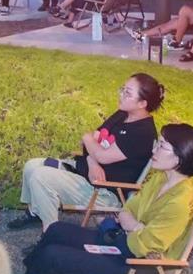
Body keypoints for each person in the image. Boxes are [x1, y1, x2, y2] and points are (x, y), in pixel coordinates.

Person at [0, 123, 193, 274]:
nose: (154, 149)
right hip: (123, 244)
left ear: (179, 158)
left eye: (162, 146)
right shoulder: (162, 178)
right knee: (55, 231)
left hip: (137, 267)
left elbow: (142, 245)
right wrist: (136, 226)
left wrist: (131, 224)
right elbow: (128, 209)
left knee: (54, 255)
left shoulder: (179, 203)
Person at [9, 74, 163, 232]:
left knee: (40, 176)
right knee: (31, 166)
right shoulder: (123, 114)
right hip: (85, 173)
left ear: (142, 103)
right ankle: (36, 212)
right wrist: (92, 161)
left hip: (104, 191)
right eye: (122, 89)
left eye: (127, 93)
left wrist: (88, 141)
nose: (121, 94)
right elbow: (93, 140)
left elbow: (98, 151)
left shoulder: (142, 133)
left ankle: (50, 232)